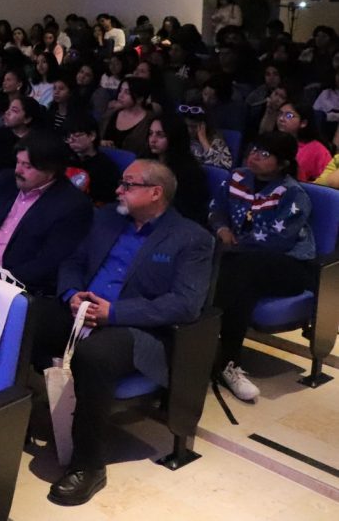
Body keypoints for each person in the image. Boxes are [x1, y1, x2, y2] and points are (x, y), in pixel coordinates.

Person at [34, 160, 214, 506]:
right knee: (26, 316)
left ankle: (88, 465)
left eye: (128, 185)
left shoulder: (192, 239)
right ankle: (11, 418)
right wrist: (72, 294)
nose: (118, 190)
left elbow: (185, 304)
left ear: (155, 192)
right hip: (84, 311)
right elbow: (73, 262)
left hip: (137, 328)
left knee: (95, 355)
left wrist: (114, 313)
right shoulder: (108, 219)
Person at [209, 132, 315, 402]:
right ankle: (227, 361)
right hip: (243, 262)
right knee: (245, 285)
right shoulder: (237, 178)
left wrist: (234, 246)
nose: (254, 156)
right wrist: (221, 229)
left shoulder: (293, 194)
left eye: (265, 154)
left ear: (282, 164)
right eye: (254, 149)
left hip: (290, 266)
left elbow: (278, 241)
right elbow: (217, 209)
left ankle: (204, 338)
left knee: (242, 269)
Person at [0, 130, 94, 295]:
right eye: (18, 162)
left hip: (14, 287)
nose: (18, 170)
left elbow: (49, 262)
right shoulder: (5, 181)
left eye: (27, 166)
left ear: (51, 171)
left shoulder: (73, 205)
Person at [142, 112, 210, 224]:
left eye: (160, 135)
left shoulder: (189, 172)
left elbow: (187, 211)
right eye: (150, 133)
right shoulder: (145, 160)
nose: (153, 140)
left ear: (174, 137)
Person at [63, 113, 121, 206]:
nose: (71, 141)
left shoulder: (105, 167)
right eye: (68, 137)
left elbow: (105, 201)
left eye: (76, 136)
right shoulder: (65, 159)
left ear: (92, 136)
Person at [275, 102, 332, 182]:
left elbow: (327, 183)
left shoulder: (318, 150)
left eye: (289, 116)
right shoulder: (272, 141)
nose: (281, 119)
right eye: (280, 114)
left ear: (303, 123)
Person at [100, 76, 153, 156]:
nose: (120, 95)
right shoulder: (111, 114)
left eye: (127, 92)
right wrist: (101, 143)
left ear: (140, 98)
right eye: (120, 90)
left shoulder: (150, 121)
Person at [179, 103, 232, 169]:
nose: (189, 130)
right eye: (187, 126)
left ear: (203, 126)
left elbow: (226, 165)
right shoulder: (180, 138)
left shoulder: (215, 140)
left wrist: (204, 141)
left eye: (194, 127)